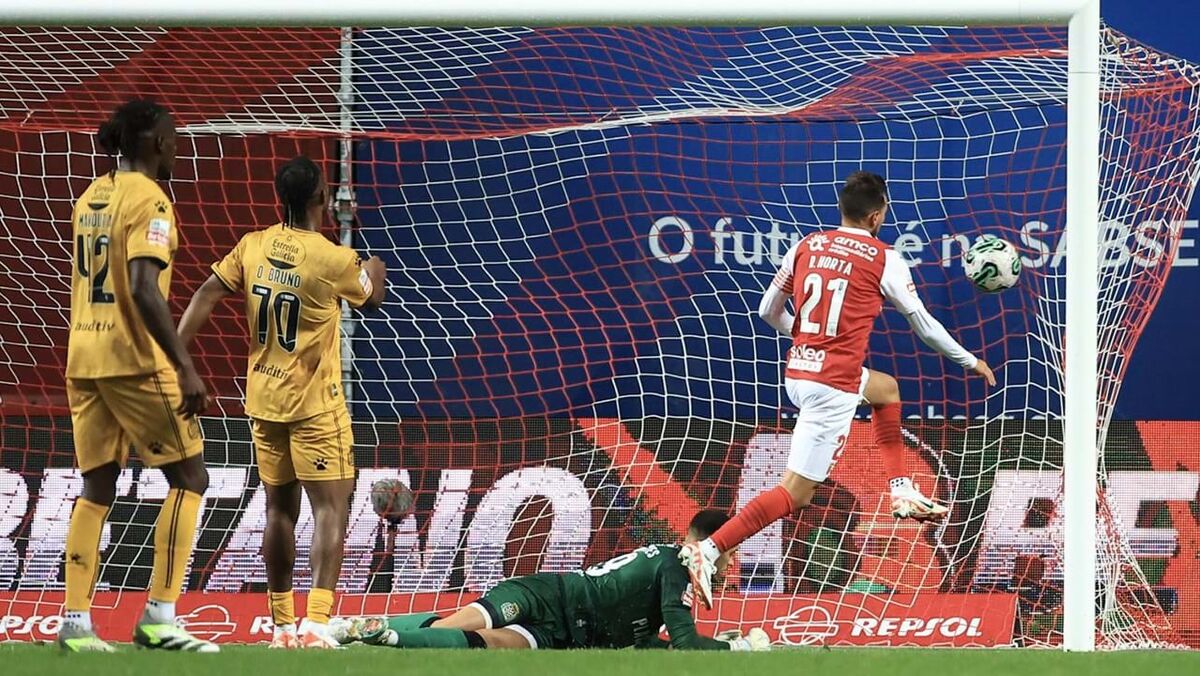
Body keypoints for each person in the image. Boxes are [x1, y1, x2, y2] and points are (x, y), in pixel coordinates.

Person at [681, 171, 996, 609]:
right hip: (832, 386)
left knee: (885, 389)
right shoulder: (884, 257)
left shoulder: (806, 245)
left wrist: (807, 340)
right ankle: (711, 548)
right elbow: (924, 325)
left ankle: (901, 489)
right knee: (795, 494)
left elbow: (767, 310)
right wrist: (970, 360)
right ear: (876, 215)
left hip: (800, 371)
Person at [178, 156, 387, 648]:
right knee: (330, 509)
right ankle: (316, 623)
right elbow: (372, 299)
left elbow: (206, 294)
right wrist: (374, 267)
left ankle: (282, 627)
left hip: (263, 401)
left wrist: (177, 358)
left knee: (279, 512)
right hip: (315, 406)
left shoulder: (254, 245)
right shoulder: (333, 258)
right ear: (322, 199)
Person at [60, 99, 217, 652]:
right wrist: (184, 366)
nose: (177, 147)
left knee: (97, 486)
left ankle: (76, 623)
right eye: (173, 137)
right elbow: (144, 287)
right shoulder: (151, 199)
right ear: (155, 142)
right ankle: (160, 617)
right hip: (133, 360)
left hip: (84, 355)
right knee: (190, 477)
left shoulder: (91, 196)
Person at [332, 510, 769, 651]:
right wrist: (739, 649)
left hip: (563, 635)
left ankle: (381, 633)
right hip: (549, 595)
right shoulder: (676, 566)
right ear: (713, 545)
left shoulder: (674, 567)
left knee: (486, 645)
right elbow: (687, 641)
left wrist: (694, 646)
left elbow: (651, 642)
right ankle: (367, 629)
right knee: (456, 625)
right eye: (730, 552)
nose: (731, 564)